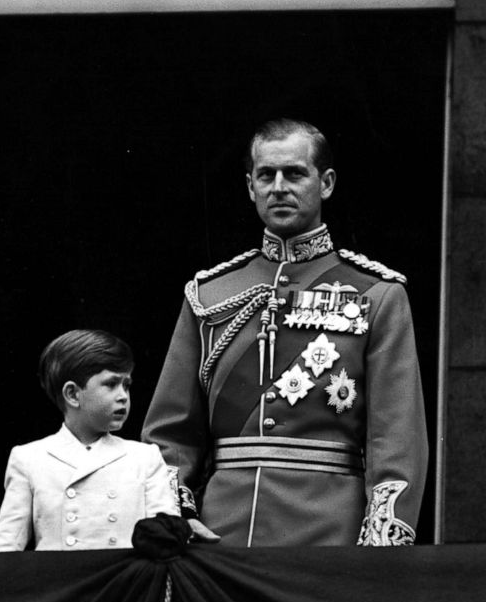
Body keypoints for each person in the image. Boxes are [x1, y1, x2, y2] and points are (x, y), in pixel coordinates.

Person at [142, 118, 427, 547]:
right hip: (220, 535)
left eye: (294, 173)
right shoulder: (208, 294)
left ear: (326, 183)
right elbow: (170, 432)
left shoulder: (377, 294)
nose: (278, 186)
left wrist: (379, 549)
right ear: (250, 186)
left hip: (330, 536)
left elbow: (397, 438)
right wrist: (174, 518)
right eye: (265, 175)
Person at [0, 329, 179, 551]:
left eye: (126, 385)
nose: (123, 396)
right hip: (60, 583)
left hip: (126, 582)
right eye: (111, 384)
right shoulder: (29, 458)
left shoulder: (144, 457)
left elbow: (166, 534)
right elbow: (7, 544)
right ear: (72, 394)